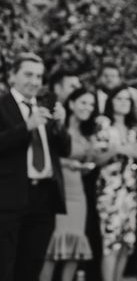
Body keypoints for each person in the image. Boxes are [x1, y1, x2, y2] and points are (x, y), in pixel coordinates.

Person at [0, 53, 70, 281]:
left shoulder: (45, 108)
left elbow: (65, 150)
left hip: (44, 197)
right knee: (5, 264)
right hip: (10, 197)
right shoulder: (3, 106)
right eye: (28, 74)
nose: (34, 81)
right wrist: (26, 127)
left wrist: (60, 124)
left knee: (32, 264)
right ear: (12, 76)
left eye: (39, 76)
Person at [41, 88, 97, 281]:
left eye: (91, 104)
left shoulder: (88, 133)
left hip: (78, 194)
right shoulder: (57, 125)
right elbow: (49, 155)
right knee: (52, 248)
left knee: (75, 247)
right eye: (83, 102)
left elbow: (90, 161)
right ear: (71, 104)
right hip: (58, 191)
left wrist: (88, 163)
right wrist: (69, 163)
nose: (88, 107)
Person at [93, 86, 137, 281]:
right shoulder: (103, 125)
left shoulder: (135, 129)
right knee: (110, 242)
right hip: (109, 191)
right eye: (119, 99)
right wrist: (120, 149)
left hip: (130, 190)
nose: (124, 103)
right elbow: (96, 158)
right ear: (111, 101)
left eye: (127, 100)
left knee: (127, 242)